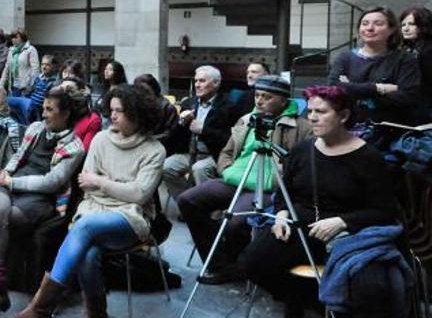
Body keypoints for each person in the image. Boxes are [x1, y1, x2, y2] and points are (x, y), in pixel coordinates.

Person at [239, 85, 400, 317]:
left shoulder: (369, 158)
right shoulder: (302, 151)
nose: (312, 118)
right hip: (301, 224)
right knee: (253, 263)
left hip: (349, 232)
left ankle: (323, 304)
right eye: (310, 111)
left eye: (321, 112)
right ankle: (306, 301)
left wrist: (342, 221)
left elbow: (384, 211)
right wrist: (282, 214)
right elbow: (286, 192)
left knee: (371, 288)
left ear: (344, 116)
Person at [15, 85, 165, 318]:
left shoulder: (154, 150)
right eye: (111, 109)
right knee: (88, 253)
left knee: (85, 226)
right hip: (93, 208)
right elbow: (86, 184)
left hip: (131, 218)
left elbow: (139, 195)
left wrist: (101, 182)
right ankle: (96, 313)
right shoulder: (101, 140)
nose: (112, 115)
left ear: (138, 114)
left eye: (120, 111)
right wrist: (112, 186)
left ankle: (40, 307)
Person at [0, 87, 86, 318]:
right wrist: (5, 172)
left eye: (50, 109)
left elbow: (52, 182)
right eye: (44, 108)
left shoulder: (74, 146)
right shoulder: (36, 128)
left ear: (66, 113)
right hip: (10, 183)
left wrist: (13, 183)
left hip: (40, 199)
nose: (44, 113)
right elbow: (18, 156)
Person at [178, 75, 313, 284]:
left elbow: (303, 166)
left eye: (266, 97)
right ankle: (218, 262)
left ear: (283, 101)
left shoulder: (302, 127)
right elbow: (227, 151)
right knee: (188, 200)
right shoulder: (247, 119)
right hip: (235, 179)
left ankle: (236, 265)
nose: (259, 101)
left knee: (235, 222)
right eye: (257, 95)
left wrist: (281, 173)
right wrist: (227, 170)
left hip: (269, 187)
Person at [328, 7, 423, 136]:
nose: (369, 28)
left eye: (378, 24)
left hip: (389, 132)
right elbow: (334, 89)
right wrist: (380, 88)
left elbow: (407, 97)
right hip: (347, 129)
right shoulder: (345, 58)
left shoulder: (405, 59)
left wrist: (353, 89)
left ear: (391, 29)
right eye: (365, 23)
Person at [163, 65, 234, 203]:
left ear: (216, 83)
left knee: (199, 168)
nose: (197, 85)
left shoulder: (228, 106)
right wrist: (180, 123)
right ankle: (187, 203)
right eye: (196, 81)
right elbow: (175, 139)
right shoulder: (189, 104)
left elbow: (230, 140)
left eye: (202, 81)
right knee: (166, 167)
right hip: (190, 153)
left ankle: (208, 210)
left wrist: (204, 130)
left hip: (214, 154)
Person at [134, 74, 179, 154]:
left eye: (145, 90)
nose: (141, 93)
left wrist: (148, 140)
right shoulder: (139, 105)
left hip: (162, 149)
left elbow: (170, 135)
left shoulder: (168, 108)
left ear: (154, 89)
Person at [400, 7, 432, 120]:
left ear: (423, 25)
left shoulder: (428, 49)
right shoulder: (409, 48)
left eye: (411, 24)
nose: (406, 29)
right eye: (403, 25)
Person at [10, 54, 59, 126]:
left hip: (39, 108)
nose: (44, 67)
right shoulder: (38, 77)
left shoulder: (55, 81)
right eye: (42, 64)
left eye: (47, 65)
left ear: (54, 67)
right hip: (29, 104)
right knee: (11, 104)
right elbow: (30, 91)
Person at [57, 77, 103, 153]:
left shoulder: (93, 120)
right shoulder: (57, 115)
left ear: (82, 92)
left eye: (70, 90)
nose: (65, 95)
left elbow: (83, 152)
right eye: (61, 91)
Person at [0, 29, 39, 98]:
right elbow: (7, 68)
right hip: (13, 85)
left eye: (16, 37)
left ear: (23, 38)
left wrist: (30, 85)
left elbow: (35, 69)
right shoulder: (11, 50)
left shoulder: (30, 49)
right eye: (12, 37)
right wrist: (1, 84)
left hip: (25, 86)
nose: (13, 40)